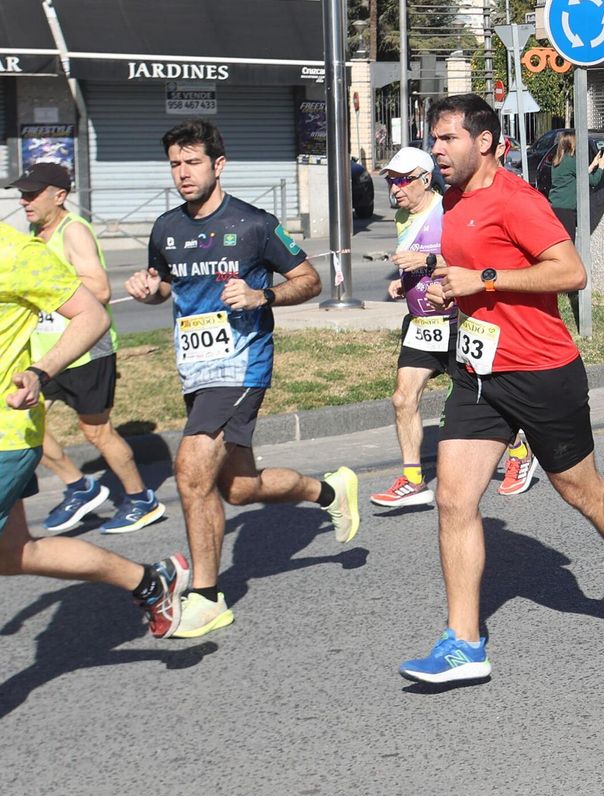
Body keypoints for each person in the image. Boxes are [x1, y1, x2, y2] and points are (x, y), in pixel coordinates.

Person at [398, 94, 604, 683]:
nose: (436, 151)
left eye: (447, 139)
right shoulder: (452, 199)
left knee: (581, 491)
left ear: (486, 141)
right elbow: (467, 266)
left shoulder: (516, 199)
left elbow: (572, 272)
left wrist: (485, 280)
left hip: (542, 372)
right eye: (434, 139)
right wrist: (436, 282)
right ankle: (463, 642)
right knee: (453, 499)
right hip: (477, 373)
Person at [125, 119, 358, 638]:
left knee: (190, 469)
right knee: (237, 487)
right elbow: (166, 287)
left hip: (243, 363)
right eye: (175, 165)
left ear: (218, 165)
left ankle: (206, 596)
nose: (183, 174)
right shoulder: (165, 228)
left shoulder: (254, 224)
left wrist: (262, 296)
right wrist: (149, 289)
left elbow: (309, 280)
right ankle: (331, 491)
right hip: (196, 368)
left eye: (193, 163)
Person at [1, 221, 190, 638]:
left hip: (5, 436)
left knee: (96, 430)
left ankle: (137, 500)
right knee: (14, 553)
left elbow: (93, 312)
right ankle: (149, 580)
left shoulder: (16, 252)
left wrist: (39, 371)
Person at [8, 163, 162, 534]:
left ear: (59, 196)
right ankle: (80, 486)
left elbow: (101, 289)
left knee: (96, 432)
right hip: (48, 354)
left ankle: (141, 500)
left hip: (85, 352)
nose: (24, 200)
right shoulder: (32, 232)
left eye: (33, 193)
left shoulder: (72, 231)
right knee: (23, 422)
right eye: (23, 193)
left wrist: (50, 285)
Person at [371, 146, 456, 508]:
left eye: (404, 181)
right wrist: (404, 281)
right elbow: (415, 263)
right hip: (421, 323)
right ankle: (413, 480)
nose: (396, 189)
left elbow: (471, 260)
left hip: (456, 321)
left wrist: (426, 261)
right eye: (392, 181)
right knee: (403, 398)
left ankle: (518, 450)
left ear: (425, 179)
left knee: (489, 399)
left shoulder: (450, 211)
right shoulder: (403, 218)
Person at [544, 132, 604, 323]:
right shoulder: (572, 162)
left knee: (557, 248)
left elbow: (577, 176)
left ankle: (558, 283)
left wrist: (593, 164)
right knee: (567, 250)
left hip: (556, 208)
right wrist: (601, 168)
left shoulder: (560, 160)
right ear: (572, 144)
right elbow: (591, 181)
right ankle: (566, 285)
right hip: (566, 211)